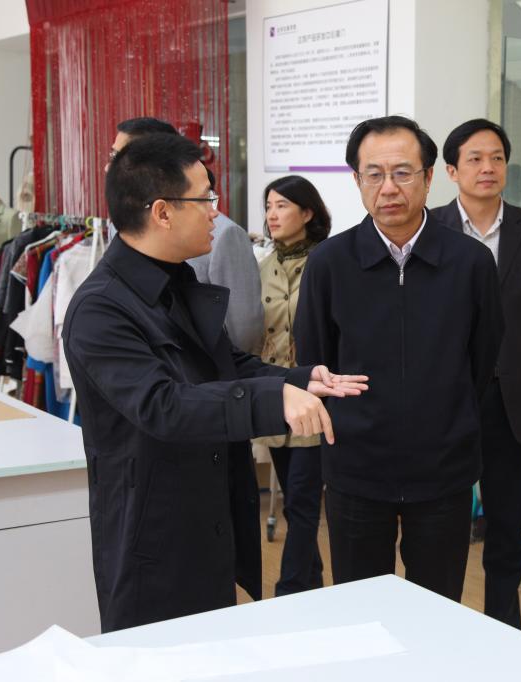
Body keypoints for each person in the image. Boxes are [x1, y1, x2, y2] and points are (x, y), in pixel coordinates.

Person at [62, 133, 367, 632]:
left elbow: (227, 364)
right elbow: (164, 405)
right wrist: (275, 399)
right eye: (204, 199)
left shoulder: (175, 282)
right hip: (151, 535)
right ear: (163, 212)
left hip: (206, 515)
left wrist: (300, 378)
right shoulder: (102, 309)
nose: (215, 212)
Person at [295, 115, 504, 602]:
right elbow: (316, 362)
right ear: (357, 181)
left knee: (437, 608)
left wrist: (446, 414)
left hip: (444, 470)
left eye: (403, 173)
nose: (388, 187)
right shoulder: (328, 263)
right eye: (374, 174)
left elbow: (482, 359)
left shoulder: (471, 263)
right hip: (356, 467)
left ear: (429, 178)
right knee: (359, 607)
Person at [433, 118, 521, 629]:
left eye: (498, 158)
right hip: (445, 401)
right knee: (441, 528)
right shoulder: (429, 227)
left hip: (511, 399)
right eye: (475, 159)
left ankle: (505, 628)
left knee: (507, 530)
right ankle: (442, 629)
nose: (488, 168)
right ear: (451, 171)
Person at [108, 117, 264, 353]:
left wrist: (224, 369)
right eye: (113, 156)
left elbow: (244, 333)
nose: (110, 167)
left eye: (120, 157)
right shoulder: (119, 228)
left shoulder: (223, 235)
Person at [257, 175, 332, 596]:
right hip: (275, 396)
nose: (272, 214)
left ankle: (288, 593)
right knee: (293, 496)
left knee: (302, 501)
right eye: (269, 206)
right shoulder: (262, 267)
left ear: (307, 212)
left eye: (282, 205)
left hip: (315, 397)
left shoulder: (329, 261)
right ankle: (314, 586)